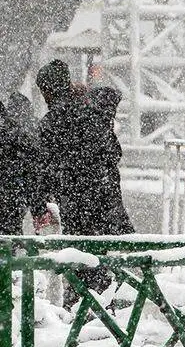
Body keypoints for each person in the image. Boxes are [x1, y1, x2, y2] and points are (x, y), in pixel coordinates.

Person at [36, 60, 135, 301]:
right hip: (105, 201)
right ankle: (105, 307)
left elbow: (45, 170)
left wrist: (42, 200)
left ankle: (85, 307)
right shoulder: (93, 111)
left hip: (76, 206)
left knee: (81, 261)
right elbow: (113, 151)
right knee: (104, 261)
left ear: (48, 90)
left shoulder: (51, 123)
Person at [0, 93, 49, 234]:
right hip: (11, 198)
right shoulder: (16, 131)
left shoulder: (14, 130)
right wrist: (38, 207)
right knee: (11, 237)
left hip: (10, 196)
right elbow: (33, 170)